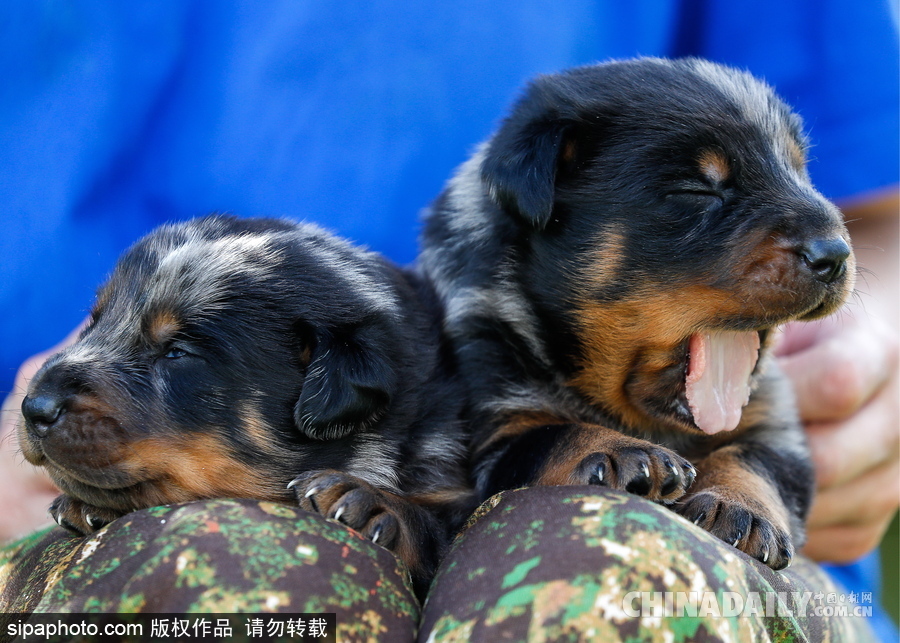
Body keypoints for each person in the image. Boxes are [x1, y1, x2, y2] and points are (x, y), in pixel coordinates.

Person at [0, 1, 896, 640]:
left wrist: (870, 372)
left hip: (733, 582)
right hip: (53, 529)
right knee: (240, 588)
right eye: (699, 193)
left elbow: (876, 223)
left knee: (585, 576)